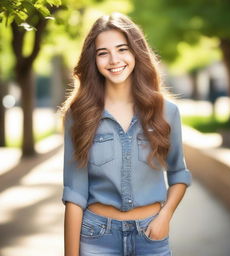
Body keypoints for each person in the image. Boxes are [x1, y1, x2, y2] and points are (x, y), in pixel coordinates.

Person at [61, 12, 192, 256]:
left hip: (151, 235)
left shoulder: (167, 112)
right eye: (103, 53)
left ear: (136, 53)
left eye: (122, 49)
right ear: (94, 60)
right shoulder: (78, 115)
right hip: (97, 236)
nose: (114, 59)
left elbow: (179, 174)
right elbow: (74, 193)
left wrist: (165, 217)